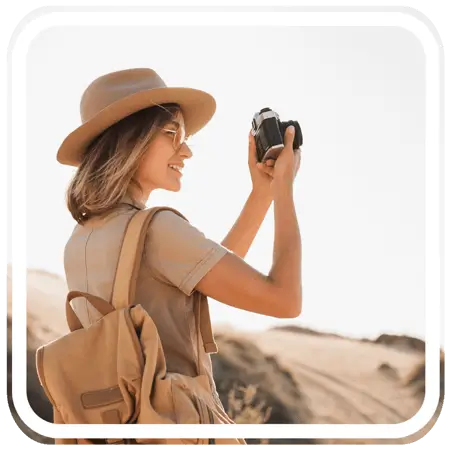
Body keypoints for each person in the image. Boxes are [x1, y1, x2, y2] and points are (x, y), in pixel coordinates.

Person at [57, 68, 302, 442]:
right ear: (129, 141)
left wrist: (261, 194)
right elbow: (285, 300)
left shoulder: (81, 240)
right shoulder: (157, 230)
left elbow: (203, 277)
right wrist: (284, 188)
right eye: (171, 135)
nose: (185, 151)